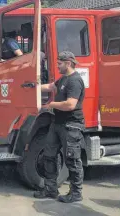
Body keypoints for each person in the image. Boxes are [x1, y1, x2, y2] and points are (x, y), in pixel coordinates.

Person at [34, 51, 85, 203]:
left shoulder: (75, 81)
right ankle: (51, 189)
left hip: (71, 125)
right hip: (57, 123)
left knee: (72, 160)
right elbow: (50, 86)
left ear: (68, 63)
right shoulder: (63, 79)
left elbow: (70, 104)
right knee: (49, 155)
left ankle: (76, 193)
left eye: (60, 63)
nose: (57, 66)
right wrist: (33, 86)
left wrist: (51, 105)